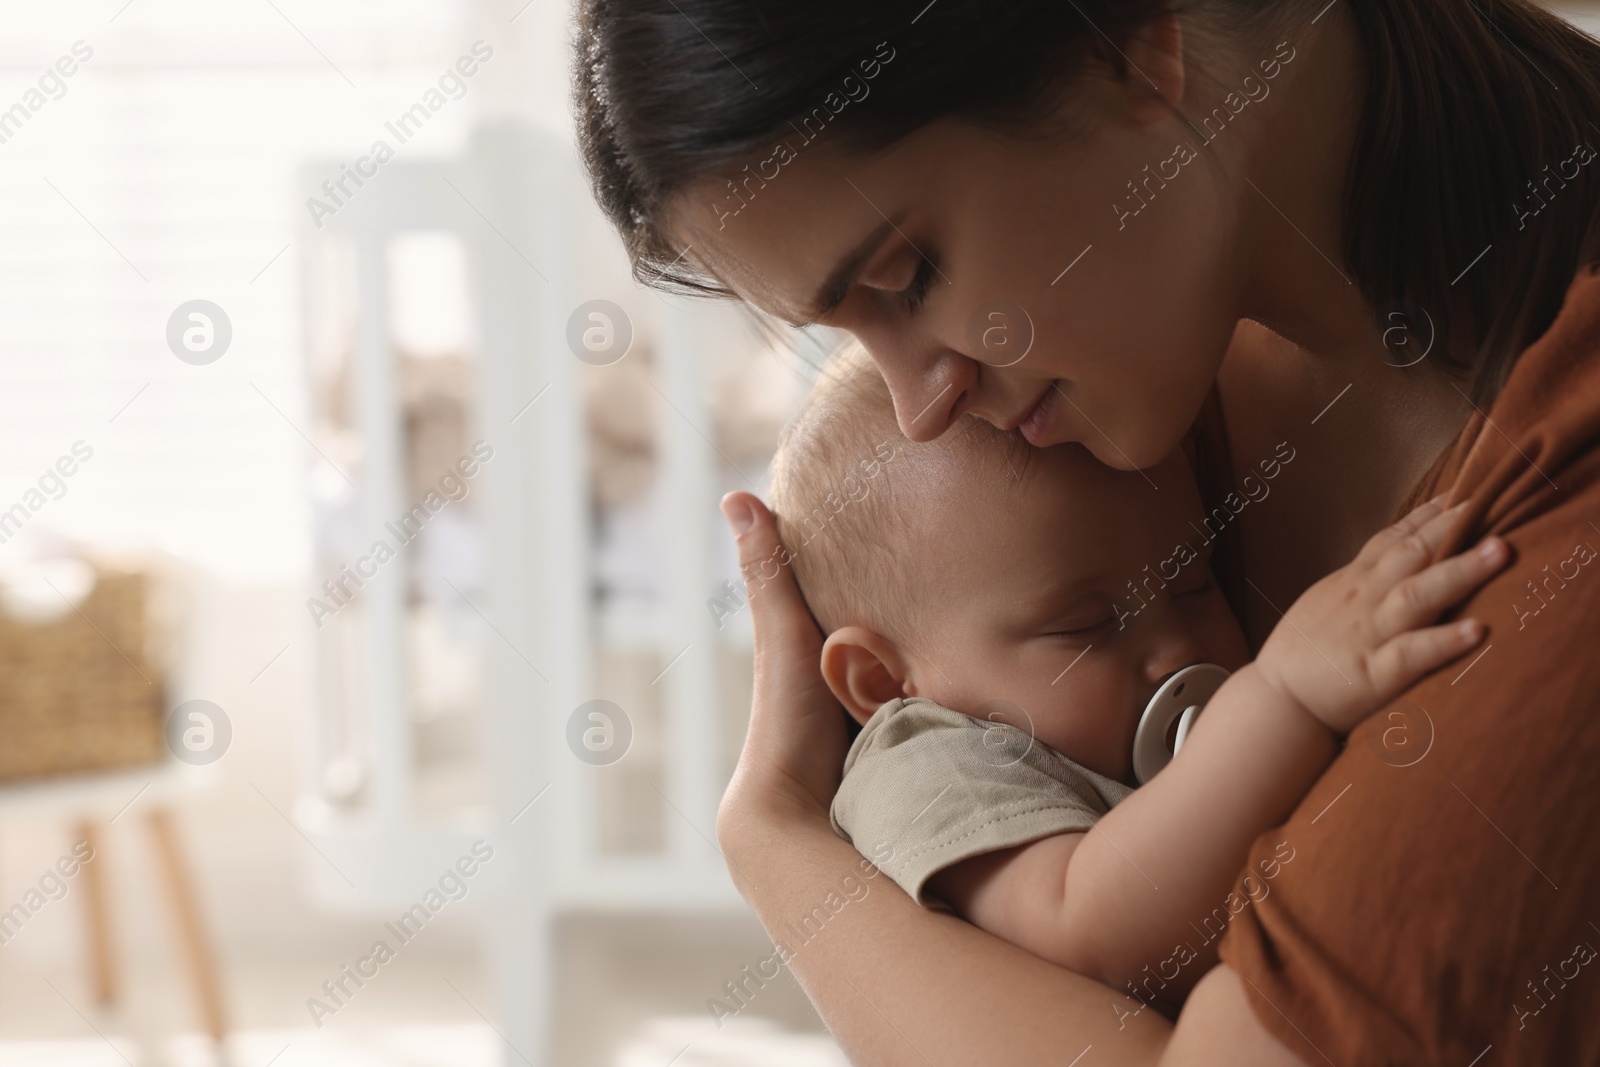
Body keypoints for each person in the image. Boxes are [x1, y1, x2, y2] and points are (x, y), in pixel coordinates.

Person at [573, 0, 1600, 1061]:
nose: (919, 411)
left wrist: (779, 849)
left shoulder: (1561, 522)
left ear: (1123, 45)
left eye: (906, 278)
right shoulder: (1112, 426)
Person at [767, 344, 1506, 1013]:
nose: (1174, 652)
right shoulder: (926, 759)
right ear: (882, 679)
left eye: (1192, 583)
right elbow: (1093, 929)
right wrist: (1282, 696)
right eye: (1085, 624)